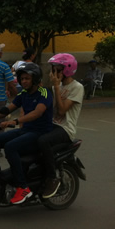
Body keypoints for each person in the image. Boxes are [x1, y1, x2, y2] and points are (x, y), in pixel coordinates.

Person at [0, 62, 53, 204]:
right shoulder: (24, 93)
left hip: (39, 132)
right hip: (26, 130)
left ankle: (23, 187)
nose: (23, 81)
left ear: (35, 79)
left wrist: (15, 121)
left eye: (27, 78)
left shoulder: (44, 93)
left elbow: (37, 112)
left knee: (10, 147)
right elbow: (7, 109)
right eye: (22, 79)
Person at [38, 54, 84, 198]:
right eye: (53, 70)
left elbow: (62, 110)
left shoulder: (77, 87)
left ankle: (52, 178)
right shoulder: (57, 86)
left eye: (57, 70)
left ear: (67, 70)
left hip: (65, 129)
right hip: (54, 125)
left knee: (43, 141)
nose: (54, 74)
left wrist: (57, 87)